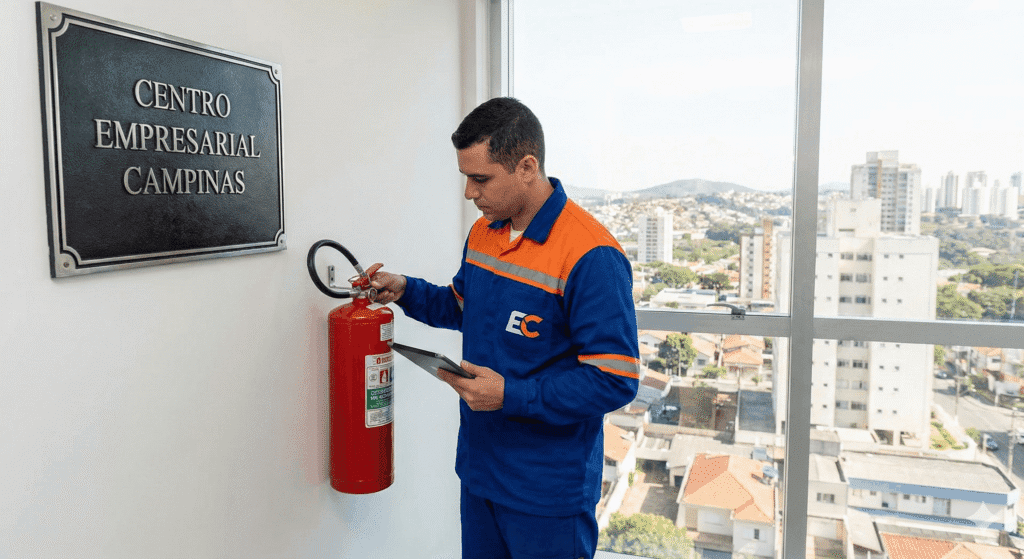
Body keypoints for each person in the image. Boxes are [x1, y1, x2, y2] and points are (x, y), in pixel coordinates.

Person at [371, 97, 639, 559]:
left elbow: (615, 379)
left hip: (547, 492)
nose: (469, 193)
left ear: (527, 167)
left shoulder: (591, 255)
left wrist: (512, 395)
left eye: (481, 179)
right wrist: (405, 290)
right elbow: (461, 307)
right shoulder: (485, 232)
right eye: (465, 179)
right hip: (480, 474)